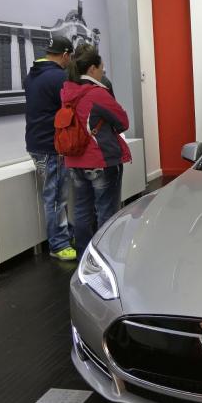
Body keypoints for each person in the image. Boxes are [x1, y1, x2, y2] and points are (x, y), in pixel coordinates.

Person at [61, 46, 132, 253]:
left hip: (75, 161)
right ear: (92, 69)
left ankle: (85, 255)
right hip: (101, 159)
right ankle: (105, 257)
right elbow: (123, 121)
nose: (103, 72)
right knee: (107, 212)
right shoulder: (97, 94)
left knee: (81, 210)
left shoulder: (67, 93)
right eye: (101, 68)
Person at [24, 36, 76, 261]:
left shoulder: (32, 76)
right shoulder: (59, 78)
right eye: (69, 57)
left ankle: (63, 232)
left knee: (55, 194)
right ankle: (58, 244)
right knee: (55, 197)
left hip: (36, 143)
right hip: (51, 145)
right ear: (65, 55)